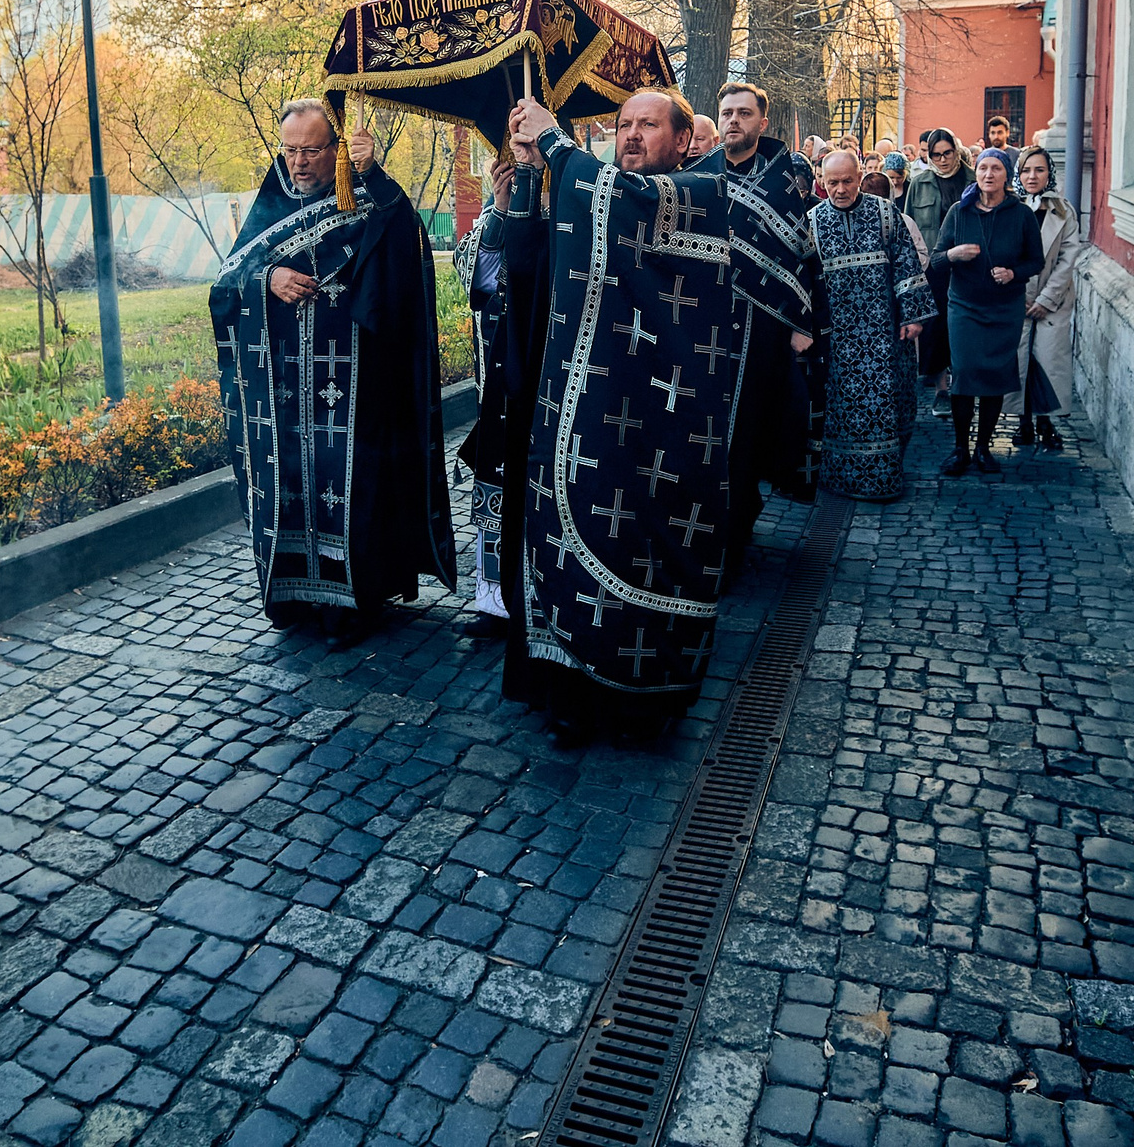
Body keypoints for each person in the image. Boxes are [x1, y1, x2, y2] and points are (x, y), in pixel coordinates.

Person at [493, 88, 811, 747]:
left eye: (648, 126)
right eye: (624, 125)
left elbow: (628, 208)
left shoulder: (699, 197)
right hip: (578, 417)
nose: (633, 136)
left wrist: (555, 143)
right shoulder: (588, 195)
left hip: (660, 428)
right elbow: (529, 273)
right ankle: (570, 692)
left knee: (641, 554)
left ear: (682, 140)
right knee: (566, 551)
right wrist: (520, 191)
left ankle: (639, 705)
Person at [211, 100, 456, 641]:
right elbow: (227, 282)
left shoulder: (368, 198)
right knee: (291, 485)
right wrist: (267, 277)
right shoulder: (272, 201)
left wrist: (372, 172)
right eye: (290, 150)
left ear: (336, 148)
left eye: (311, 150)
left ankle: (354, 601)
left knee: (352, 487)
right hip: (281, 391)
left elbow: (406, 244)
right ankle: (294, 597)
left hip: (352, 383)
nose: (298, 163)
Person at [688, 80, 820, 542]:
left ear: (762, 123)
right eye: (726, 113)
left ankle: (739, 520)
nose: (733, 122)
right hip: (704, 321)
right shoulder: (700, 175)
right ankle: (708, 519)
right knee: (706, 424)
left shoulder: (782, 180)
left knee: (749, 422)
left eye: (744, 114)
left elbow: (802, 254)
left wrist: (801, 322)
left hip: (762, 324)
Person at [810, 151, 934, 500]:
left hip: (885, 334)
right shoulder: (812, 223)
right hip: (837, 339)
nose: (840, 189)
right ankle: (840, 481)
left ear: (860, 176)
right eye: (832, 182)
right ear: (821, 180)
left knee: (887, 406)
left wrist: (912, 315)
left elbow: (907, 264)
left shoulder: (885, 214)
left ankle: (883, 481)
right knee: (841, 411)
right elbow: (805, 283)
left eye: (847, 181)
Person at [933, 145, 1045, 478]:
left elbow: (1035, 261)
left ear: (1007, 175)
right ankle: (960, 449)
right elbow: (936, 260)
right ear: (976, 172)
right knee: (965, 375)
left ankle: (983, 448)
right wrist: (953, 254)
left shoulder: (1021, 214)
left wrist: (1014, 273)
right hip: (965, 306)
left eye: (996, 169)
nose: (988, 175)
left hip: (1004, 308)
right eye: (983, 169)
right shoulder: (959, 211)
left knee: (995, 377)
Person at [451, 156, 520, 639]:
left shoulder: (576, 207)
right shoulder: (489, 219)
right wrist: (498, 209)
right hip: (496, 387)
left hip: (552, 383)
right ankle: (493, 598)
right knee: (494, 484)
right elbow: (475, 279)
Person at [1006, 146, 1080, 452]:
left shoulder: (1063, 210)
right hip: (1017, 300)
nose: (1032, 176)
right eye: (1026, 170)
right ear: (1018, 174)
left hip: (1053, 302)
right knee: (1019, 361)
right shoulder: (1009, 208)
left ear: (1049, 173)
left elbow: (1068, 257)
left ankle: (1046, 422)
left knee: (1048, 361)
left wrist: (1047, 299)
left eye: (1039, 170)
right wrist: (1018, 297)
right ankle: (1022, 421)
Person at [904, 130, 970, 415]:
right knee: (936, 327)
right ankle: (943, 390)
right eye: (936, 155)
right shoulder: (919, 184)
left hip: (969, 264)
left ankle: (966, 385)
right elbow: (907, 227)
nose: (943, 160)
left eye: (947, 153)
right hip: (933, 266)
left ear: (956, 150)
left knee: (967, 325)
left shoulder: (973, 179)